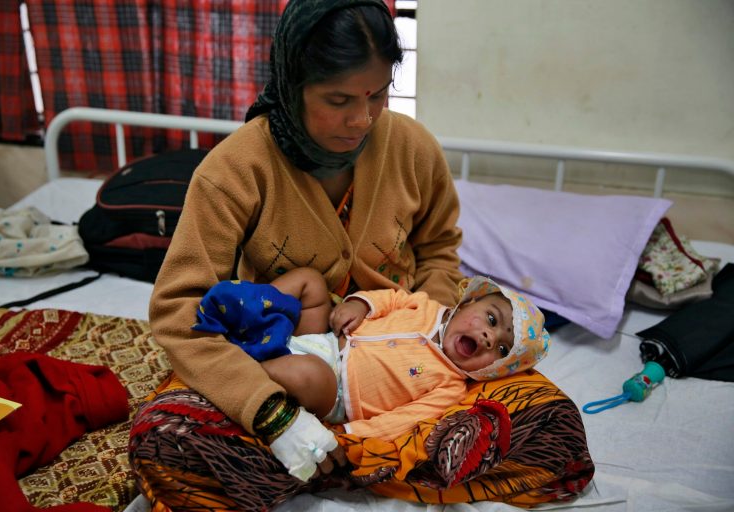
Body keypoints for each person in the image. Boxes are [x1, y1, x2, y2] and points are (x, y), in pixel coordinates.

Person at [129, 0, 466, 508]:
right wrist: (271, 414)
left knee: (539, 420)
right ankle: (348, 457)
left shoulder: (413, 147)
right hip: (287, 364)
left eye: (377, 94)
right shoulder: (235, 171)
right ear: (292, 83)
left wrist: (432, 331)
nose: (361, 118)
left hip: (408, 359)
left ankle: (354, 457)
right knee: (166, 442)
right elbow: (180, 313)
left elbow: (440, 252)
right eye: (338, 99)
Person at [193, 268, 549, 445]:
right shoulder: (427, 306)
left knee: (306, 374)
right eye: (490, 319)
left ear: (495, 370)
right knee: (310, 282)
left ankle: (232, 363)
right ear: (468, 302)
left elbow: (400, 422)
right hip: (324, 338)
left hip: (334, 390)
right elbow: (390, 298)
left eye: (502, 350)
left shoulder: (450, 387)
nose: (488, 338)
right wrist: (360, 303)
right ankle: (243, 309)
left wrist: (346, 433)